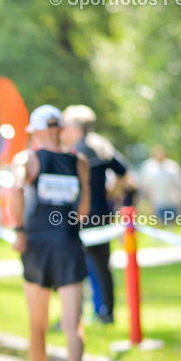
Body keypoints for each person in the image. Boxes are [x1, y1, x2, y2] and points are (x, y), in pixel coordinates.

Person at [10, 105, 90, 361]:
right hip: (68, 242)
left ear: (39, 131)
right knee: (73, 323)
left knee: (38, 324)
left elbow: (15, 187)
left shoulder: (28, 159)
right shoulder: (79, 161)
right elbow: (83, 209)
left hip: (37, 245)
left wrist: (19, 229)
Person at [61, 105, 130, 325]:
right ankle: (104, 312)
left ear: (75, 127)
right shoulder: (102, 145)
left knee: (83, 265)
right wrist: (112, 192)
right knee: (101, 266)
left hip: (84, 215)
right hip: (102, 213)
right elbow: (123, 172)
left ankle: (88, 313)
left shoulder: (78, 151)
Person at [138, 146, 181, 224]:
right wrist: (150, 204)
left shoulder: (172, 166)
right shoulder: (149, 167)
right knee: (159, 224)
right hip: (157, 203)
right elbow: (147, 187)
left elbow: (178, 184)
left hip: (171, 201)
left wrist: (179, 200)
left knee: (170, 224)